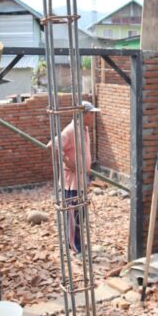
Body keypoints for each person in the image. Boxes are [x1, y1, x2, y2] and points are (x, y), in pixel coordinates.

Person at [55, 101, 100, 254]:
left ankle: (77, 243)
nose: (93, 117)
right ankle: (73, 246)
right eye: (91, 113)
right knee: (73, 215)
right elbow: (53, 145)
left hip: (81, 179)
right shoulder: (71, 130)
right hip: (71, 181)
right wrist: (67, 161)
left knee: (80, 215)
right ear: (83, 114)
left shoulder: (84, 129)